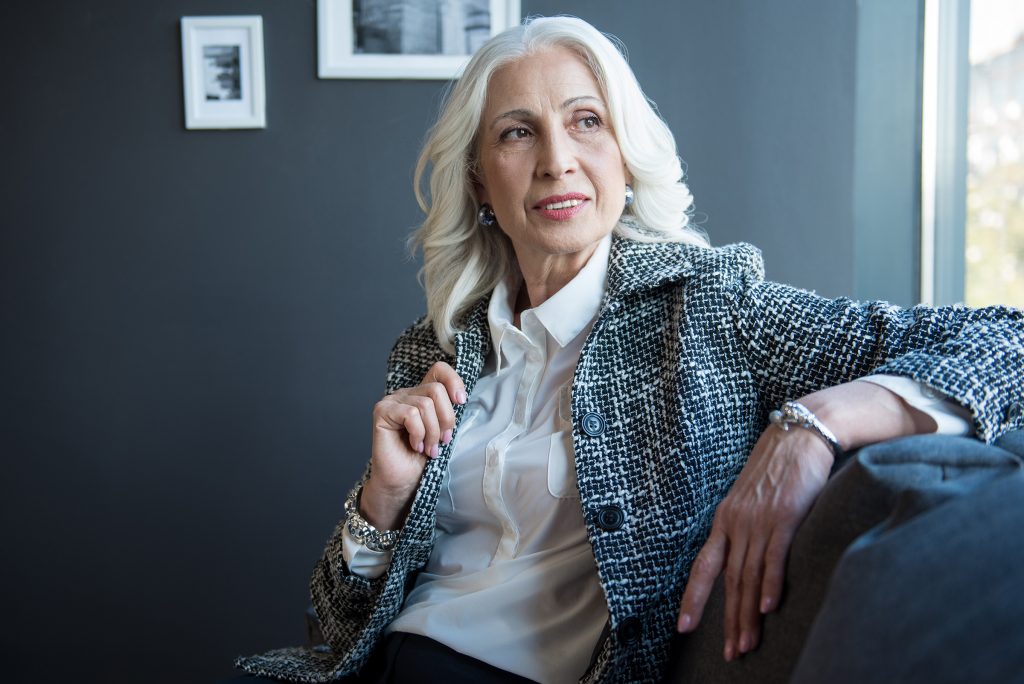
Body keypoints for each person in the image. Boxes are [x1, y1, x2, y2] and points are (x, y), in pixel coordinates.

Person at [234, 15, 1024, 684]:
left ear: (623, 152)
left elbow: (1005, 342)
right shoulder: (434, 352)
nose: (556, 160)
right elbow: (334, 630)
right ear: (479, 181)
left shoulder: (710, 306)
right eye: (518, 132)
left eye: (586, 121)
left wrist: (812, 424)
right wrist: (382, 499)